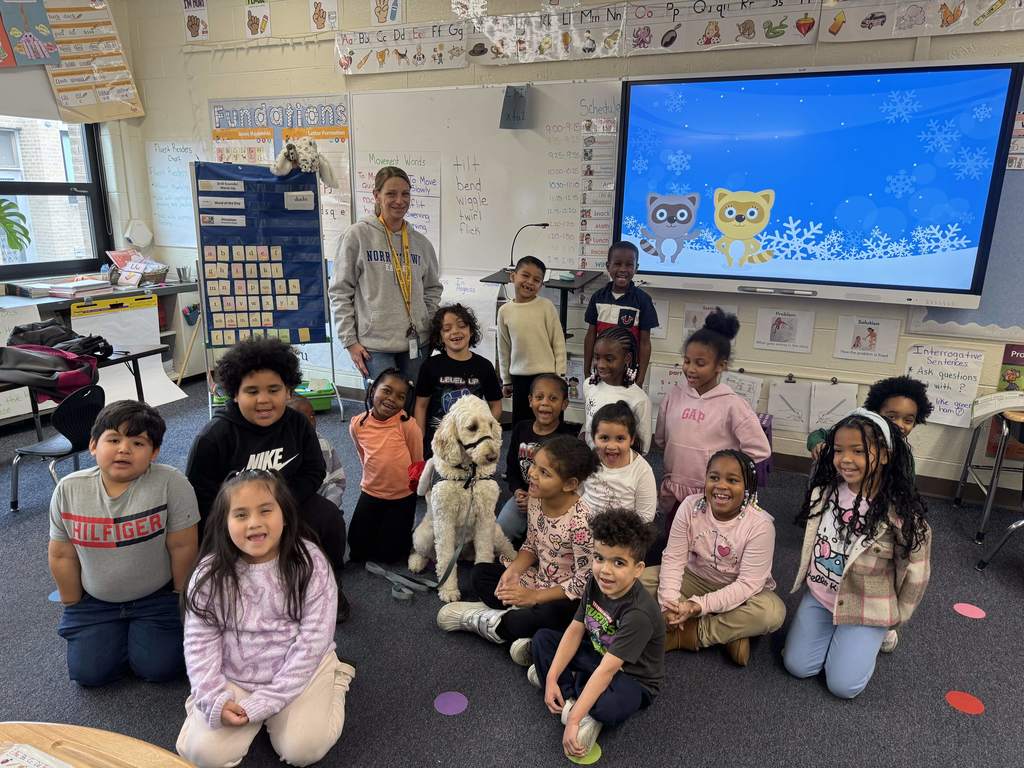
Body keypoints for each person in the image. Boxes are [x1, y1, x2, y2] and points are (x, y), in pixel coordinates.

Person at [176, 470, 355, 767]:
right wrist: (212, 698)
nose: (255, 523)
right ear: (224, 522)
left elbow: (313, 640)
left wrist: (268, 701)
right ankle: (206, 706)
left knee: (303, 751)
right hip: (235, 675)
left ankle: (335, 678)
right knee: (201, 755)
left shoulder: (310, 563)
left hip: (300, 671)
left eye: (265, 510)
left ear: (285, 514)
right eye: (241, 514)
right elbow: (199, 642)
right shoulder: (210, 574)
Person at [185, 337, 349, 622]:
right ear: (234, 393)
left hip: (288, 503)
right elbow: (201, 498)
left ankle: (327, 585)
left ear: (288, 391)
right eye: (252, 391)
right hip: (234, 517)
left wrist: (279, 509)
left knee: (329, 518)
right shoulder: (214, 437)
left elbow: (313, 471)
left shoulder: (297, 424)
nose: (263, 400)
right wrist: (245, 518)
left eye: (274, 389)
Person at [782, 410, 931, 699]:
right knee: (798, 666)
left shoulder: (900, 512)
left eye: (858, 451)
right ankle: (845, 639)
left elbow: (916, 569)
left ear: (885, 455)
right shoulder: (824, 493)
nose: (845, 459)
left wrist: (897, 616)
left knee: (843, 687)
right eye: (838, 450)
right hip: (821, 596)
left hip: (866, 606)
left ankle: (878, 636)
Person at [48, 400, 198, 687]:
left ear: (154, 453)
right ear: (93, 445)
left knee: (161, 668)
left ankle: (134, 640)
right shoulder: (68, 489)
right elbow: (62, 554)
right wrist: (73, 603)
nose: (123, 449)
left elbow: (183, 546)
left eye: (138, 443)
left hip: (156, 598)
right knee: (89, 675)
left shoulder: (171, 483)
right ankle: (118, 638)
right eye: (113, 439)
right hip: (95, 603)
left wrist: (180, 599)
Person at [437, 436, 598, 667]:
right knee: (480, 574)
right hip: (537, 581)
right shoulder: (535, 497)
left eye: (544, 473)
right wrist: (513, 571)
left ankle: (497, 621)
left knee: (553, 615)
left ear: (570, 484)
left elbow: (584, 582)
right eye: (534, 465)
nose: (532, 474)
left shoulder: (582, 523)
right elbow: (532, 544)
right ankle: (518, 624)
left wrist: (533, 597)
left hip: (564, 597)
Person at [529, 509, 664, 760]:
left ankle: (575, 700)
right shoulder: (595, 582)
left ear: (638, 569)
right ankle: (567, 690)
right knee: (542, 639)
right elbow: (575, 629)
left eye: (619, 562)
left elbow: (608, 671)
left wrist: (574, 722)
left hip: (631, 678)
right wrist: (551, 679)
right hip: (597, 653)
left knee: (609, 709)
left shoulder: (639, 614)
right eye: (599, 558)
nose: (605, 570)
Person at [648, 450, 785, 667]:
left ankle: (692, 634)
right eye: (714, 477)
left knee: (772, 612)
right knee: (634, 581)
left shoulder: (760, 526)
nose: (721, 486)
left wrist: (696, 606)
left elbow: (747, 585)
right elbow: (674, 558)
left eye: (732, 480)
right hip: (694, 578)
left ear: (748, 487)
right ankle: (730, 633)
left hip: (737, 589)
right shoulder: (690, 506)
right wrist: (668, 605)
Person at [655, 308, 769, 532]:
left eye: (700, 363)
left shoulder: (732, 405)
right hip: (674, 489)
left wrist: (726, 475)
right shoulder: (674, 396)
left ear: (721, 366)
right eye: (687, 361)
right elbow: (661, 439)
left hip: (712, 495)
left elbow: (759, 450)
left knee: (707, 544)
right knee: (673, 539)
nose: (690, 369)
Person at [329, 165, 442, 384]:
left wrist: (423, 320)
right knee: (383, 412)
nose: (399, 201)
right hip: (375, 346)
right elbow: (340, 291)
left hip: (417, 344)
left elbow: (432, 288)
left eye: (405, 194)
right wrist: (349, 341)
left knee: (412, 409)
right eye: (391, 193)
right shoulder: (357, 236)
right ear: (376, 195)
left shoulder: (420, 243)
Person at [349, 369, 423, 563]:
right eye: (387, 391)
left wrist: (414, 490)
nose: (392, 399)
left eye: (400, 397)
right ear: (373, 390)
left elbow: (417, 463)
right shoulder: (357, 424)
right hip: (371, 491)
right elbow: (362, 455)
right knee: (356, 548)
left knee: (392, 556)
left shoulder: (408, 426)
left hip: (402, 496)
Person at [414, 303, 503, 459]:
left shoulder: (484, 366)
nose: (455, 331)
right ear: (440, 336)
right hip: (438, 440)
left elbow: (495, 405)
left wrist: (484, 431)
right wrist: (419, 438)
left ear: (471, 330)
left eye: (461, 326)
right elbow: (421, 405)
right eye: (447, 329)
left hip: (472, 442)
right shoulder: (430, 366)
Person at [497, 373, 578, 543]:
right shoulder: (521, 429)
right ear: (530, 400)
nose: (545, 403)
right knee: (500, 533)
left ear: (564, 404)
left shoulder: (568, 439)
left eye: (553, 398)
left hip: (553, 502)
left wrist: (538, 502)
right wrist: (518, 490)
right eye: (539, 397)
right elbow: (511, 469)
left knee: (554, 543)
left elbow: (567, 485)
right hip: (524, 497)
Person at [497, 255, 567, 426]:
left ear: (541, 285)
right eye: (525, 275)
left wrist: (560, 376)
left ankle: (553, 453)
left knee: (549, 422)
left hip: (547, 376)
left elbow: (558, 343)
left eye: (536, 280)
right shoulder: (505, 311)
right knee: (523, 424)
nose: (530, 282)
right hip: (520, 378)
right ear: (513, 276)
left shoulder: (546, 306)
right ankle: (522, 452)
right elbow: (504, 347)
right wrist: (506, 379)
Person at [807, 375, 933, 466]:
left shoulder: (904, 455)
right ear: (876, 413)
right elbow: (817, 435)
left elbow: (907, 485)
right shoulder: (857, 433)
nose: (899, 424)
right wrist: (817, 443)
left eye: (908, 420)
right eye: (891, 417)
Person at [583, 242, 659, 387]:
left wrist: (641, 378)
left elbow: (645, 343)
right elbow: (590, 335)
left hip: (628, 372)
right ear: (608, 266)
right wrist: (586, 370)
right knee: (599, 407)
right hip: (601, 368)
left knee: (622, 408)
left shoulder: (643, 300)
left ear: (636, 268)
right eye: (617, 263)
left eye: (629, 265)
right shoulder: (598, 297)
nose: (623, 269)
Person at [581, 402, 657, 524]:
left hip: (620, 536)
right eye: (604, 438)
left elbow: (645, 516)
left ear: (631, 439)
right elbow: (576, 493)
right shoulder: (588, 460)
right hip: (583, 530)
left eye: (620, 438)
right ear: (594, 438)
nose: (611, 446)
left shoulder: (642, 470)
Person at [583, 326, 652, 453]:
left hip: (618, 466)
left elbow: (643, 447)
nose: (601, 365)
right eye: (597, 357)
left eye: (609, 359)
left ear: (627, 358)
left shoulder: (639, 399)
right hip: (589, 464)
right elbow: (588, 425)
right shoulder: (589, 385)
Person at [287, 395, 346, 509]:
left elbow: (337, 479)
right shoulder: (281, 449)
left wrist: (330, 505)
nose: (310, 421)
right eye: (302, 418)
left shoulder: (323, 444)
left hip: (323, 505)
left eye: (312, 415)